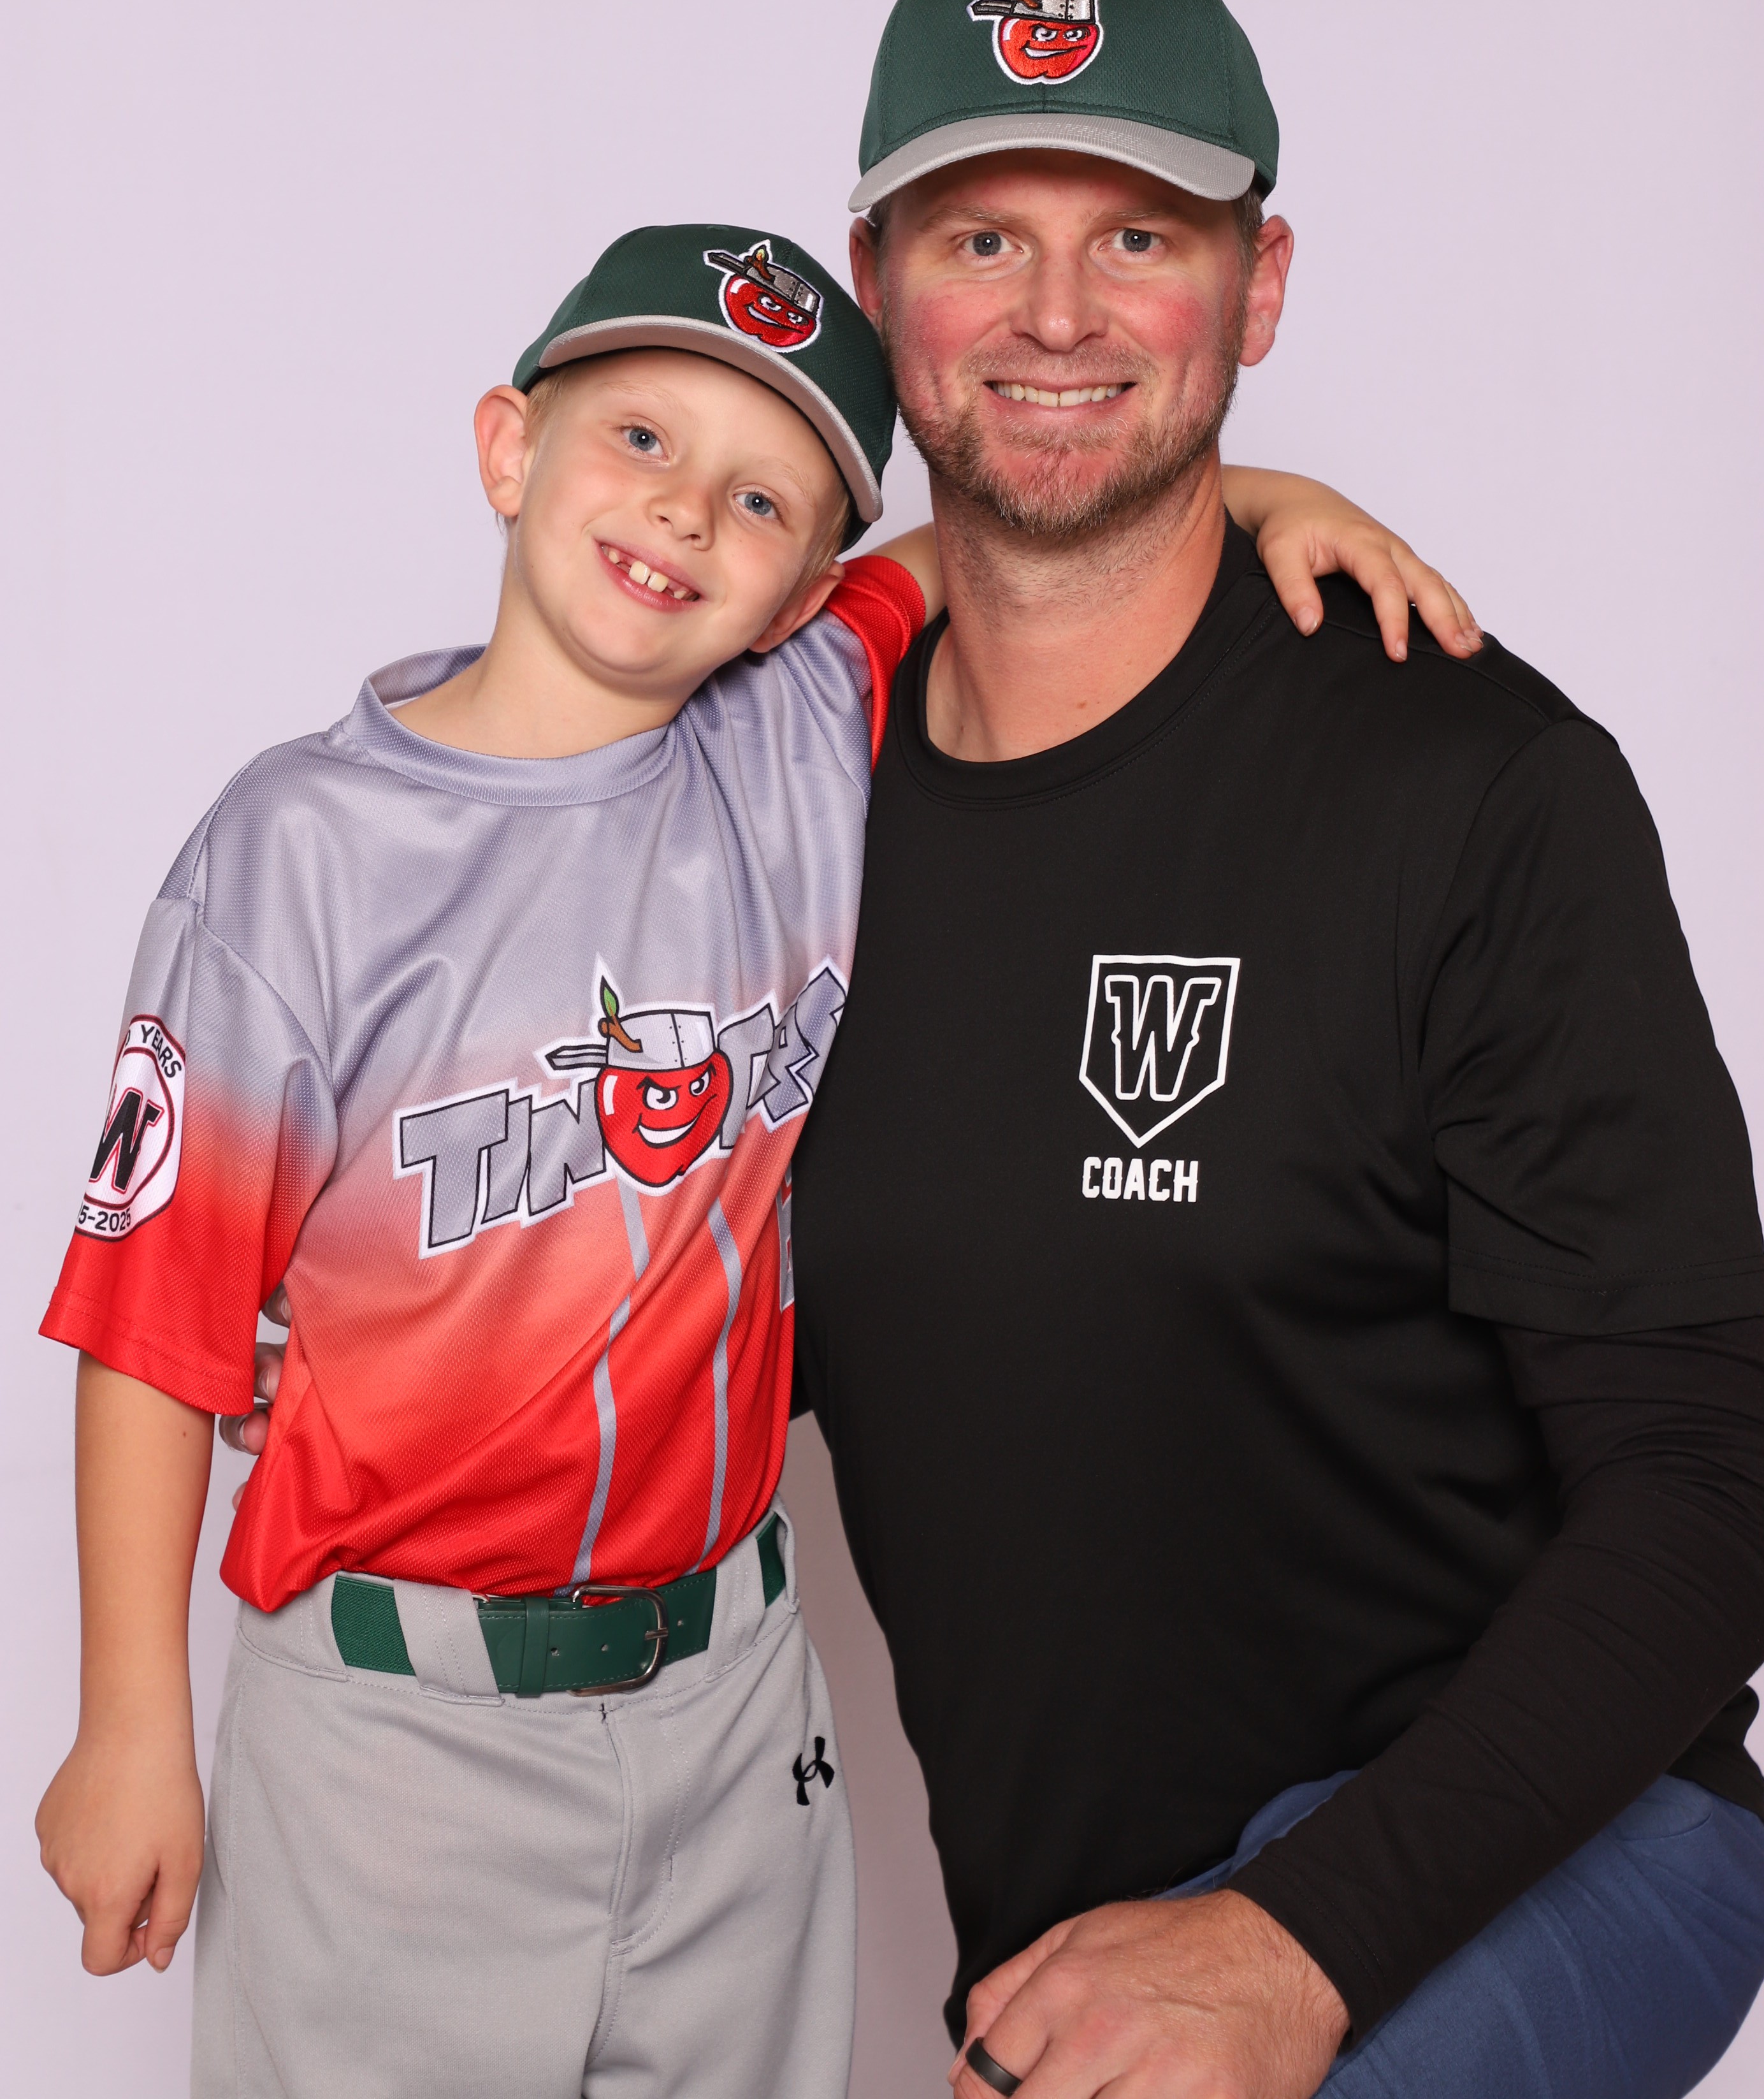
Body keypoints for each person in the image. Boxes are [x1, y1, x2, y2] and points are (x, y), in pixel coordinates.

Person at [36, 207, 1452, 2096]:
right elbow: (155, 1323)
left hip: (733, 1710)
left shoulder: (797, 729)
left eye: (765, 499)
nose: (686, 510)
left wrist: (1260, 496)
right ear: (508, 446)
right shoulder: (295, 854)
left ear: (801, 593)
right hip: (397, 1730)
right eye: (640, 436)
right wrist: (132, 1723)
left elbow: (980, 554)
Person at [786, 0, 1764, 2099]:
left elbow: (1715, 1485)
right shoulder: (770, 824)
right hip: (1075, 1943)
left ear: (1261, 286)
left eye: (1141, 237)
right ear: (880, 289)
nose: (1057, 314)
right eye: (983, 238)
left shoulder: (1470, 786)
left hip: (1543, 1840)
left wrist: (1289, 1945)